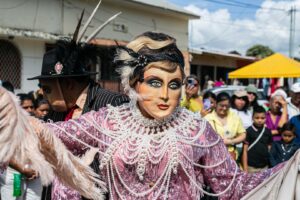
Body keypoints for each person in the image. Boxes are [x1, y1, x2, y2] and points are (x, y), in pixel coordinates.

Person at [0, 31, 297, 200]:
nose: (166, 95)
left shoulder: (197, 130)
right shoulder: (108, 121)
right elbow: (48, 135)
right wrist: (8, 106)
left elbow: (233, 187)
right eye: (155, 82)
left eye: (175, 84)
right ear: (134, 83)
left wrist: (291, 168)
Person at [27, 6, 129, 200]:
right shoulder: (55, 113)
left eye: (47, 88)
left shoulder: (113, 105)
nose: (42, 94)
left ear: (67, 83)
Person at [205, 92, 246, 161]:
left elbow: (243, 134)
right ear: (215, 104)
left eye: (227, 106)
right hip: (212, 157)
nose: (224, 108)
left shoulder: (235, 117)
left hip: (231, 156)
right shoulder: (207, 118)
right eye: (221, 105)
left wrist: (231, 141)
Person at [242, 106, 272, 173]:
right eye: (257, 118)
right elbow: (245, 151)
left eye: (262, 118)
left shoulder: (268, 131)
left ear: (266, 118)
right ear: (252, 118)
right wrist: (245, 167)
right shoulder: (248, 131)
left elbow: (269, 147)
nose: (259, 120)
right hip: (251, 167)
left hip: (264, 166)